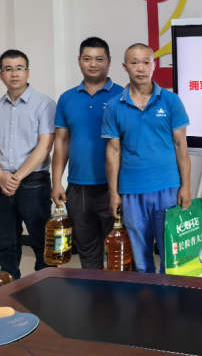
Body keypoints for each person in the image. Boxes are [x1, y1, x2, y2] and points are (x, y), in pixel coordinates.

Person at [102, 43, 192, 273]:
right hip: (132, 189)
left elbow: (181, 145)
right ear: (125, 67)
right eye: (134, 63)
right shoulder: (114, 106)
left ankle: (170, 294)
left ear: (154, 65)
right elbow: (113, 152)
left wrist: (185, 187)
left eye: (145, 62)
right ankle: (148, 294)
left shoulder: (171, 101)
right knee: (141, 260)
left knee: (171, 254)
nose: (140, 68)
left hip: (167, 187)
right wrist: (113, 193)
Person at [51, 37, 124, 269]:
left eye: (99, 59)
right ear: (79, 61)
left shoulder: (123, 96)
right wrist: (56, 182)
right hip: (78, 187)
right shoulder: (67, 98)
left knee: (117, 252)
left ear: (109, 61)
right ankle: (94, 291)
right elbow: (61, 142)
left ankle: (118, 292)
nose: (93, 64)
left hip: (115, 186)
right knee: (87, 251)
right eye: (87, 58)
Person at [0, 50, 56, 280]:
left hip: (34, 185)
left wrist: (16, 178)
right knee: (7, 245)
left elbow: (45, 146)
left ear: (28, 72)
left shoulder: (45, 104)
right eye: (8, 69)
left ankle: (46, 291)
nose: (14, 73)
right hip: (2, 184)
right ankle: (7, 292)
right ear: (1, 75)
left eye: (19, 68)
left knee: (42, 244)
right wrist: (0, 175)